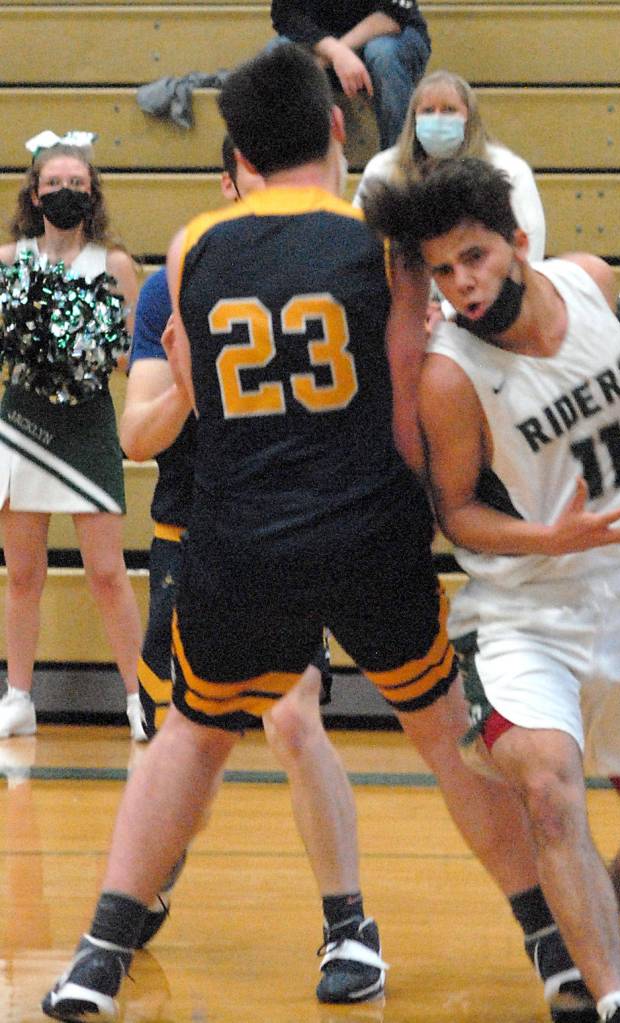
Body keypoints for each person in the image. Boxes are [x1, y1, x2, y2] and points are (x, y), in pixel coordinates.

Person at [41, 45, 587, 1023]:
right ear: (337, 129)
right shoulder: (378, 242)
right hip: (365, 526)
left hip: (241, 536)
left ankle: (99, 954)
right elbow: (407, 410)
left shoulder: (193, 249)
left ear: (241, 152)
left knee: (188, 741)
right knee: (445, 733)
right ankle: (550, 941)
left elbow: (195, 392)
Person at [363, 156, 620, 1023]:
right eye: (443, 270)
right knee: (552, 792)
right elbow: (455, 512)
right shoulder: (450, 374)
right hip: (520, 614)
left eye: (475, 257)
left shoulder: (588, 283)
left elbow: (605, 366)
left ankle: (582, 920)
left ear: (517, 243)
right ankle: (615, 1000)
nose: (462, 282)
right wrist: (547, 538)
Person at [120, 134, 386, 1005]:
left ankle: (348, 924)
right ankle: (147, 880)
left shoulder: (331, 276)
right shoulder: (170, 285)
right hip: (191, 536)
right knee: (186, 744)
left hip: (289, 532)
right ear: (229, 180)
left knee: (293, 717)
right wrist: (190, 381)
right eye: (252, 171)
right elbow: (136, 436)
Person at [0, 134, 146, 742]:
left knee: (107, 572)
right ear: (34, 194)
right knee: (22, 573)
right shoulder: (8, 261)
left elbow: (134, 356)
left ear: (93, 194)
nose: (66, 192)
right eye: (54, 183)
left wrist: (86, 344)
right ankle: (18, 698)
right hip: (23, 425)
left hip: (86, 422)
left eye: (77, 184)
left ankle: (140, 698)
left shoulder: (114, 265)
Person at [354, 69, 546, 263]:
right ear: (414, 118)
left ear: (469, 117)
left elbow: (531, 239)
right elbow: (359, 235)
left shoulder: (507, 168)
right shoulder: (383, 168)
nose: (438, 118)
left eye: (449, 110)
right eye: (428, 111)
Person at [270, 1, 430, 151]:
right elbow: (284, 14)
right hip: (320, 41)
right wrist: (335, 52)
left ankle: (399, 159)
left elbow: (392, 16)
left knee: (383, 53)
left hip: (388, 35)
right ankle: (286, 162)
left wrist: (336, 54)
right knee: (276, 56)